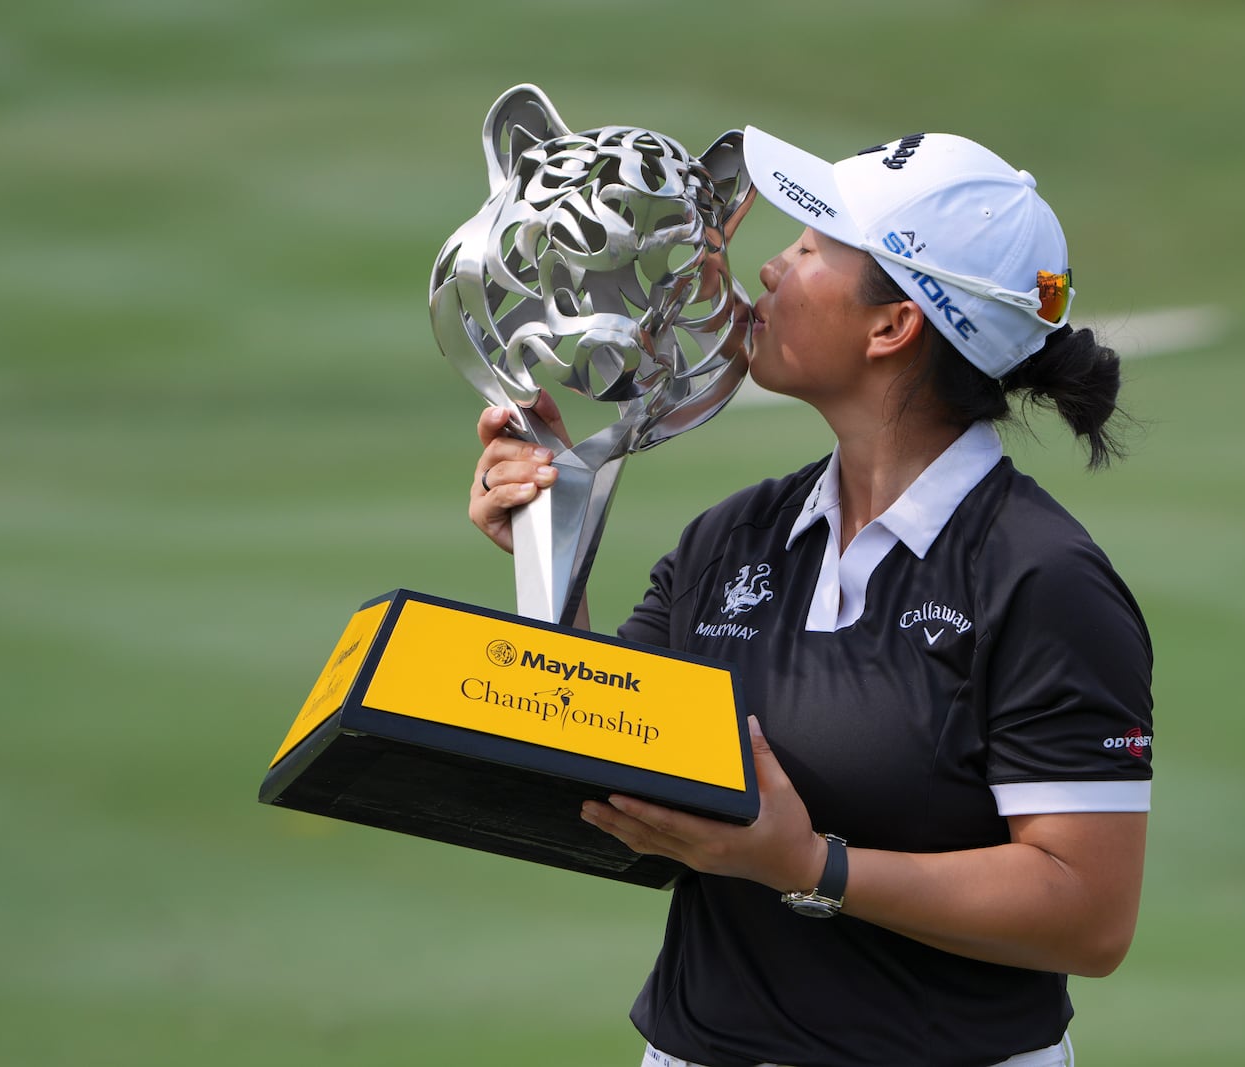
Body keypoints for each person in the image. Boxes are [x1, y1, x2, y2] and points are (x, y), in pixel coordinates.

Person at [468, 126, 1154, 1067]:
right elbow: (611, 772)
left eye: (809, 245)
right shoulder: (734, 535)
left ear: (892, 325)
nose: (771, 265)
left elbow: (1088, 914)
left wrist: (812, 867)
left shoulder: (1040, 578)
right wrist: (559, 528)